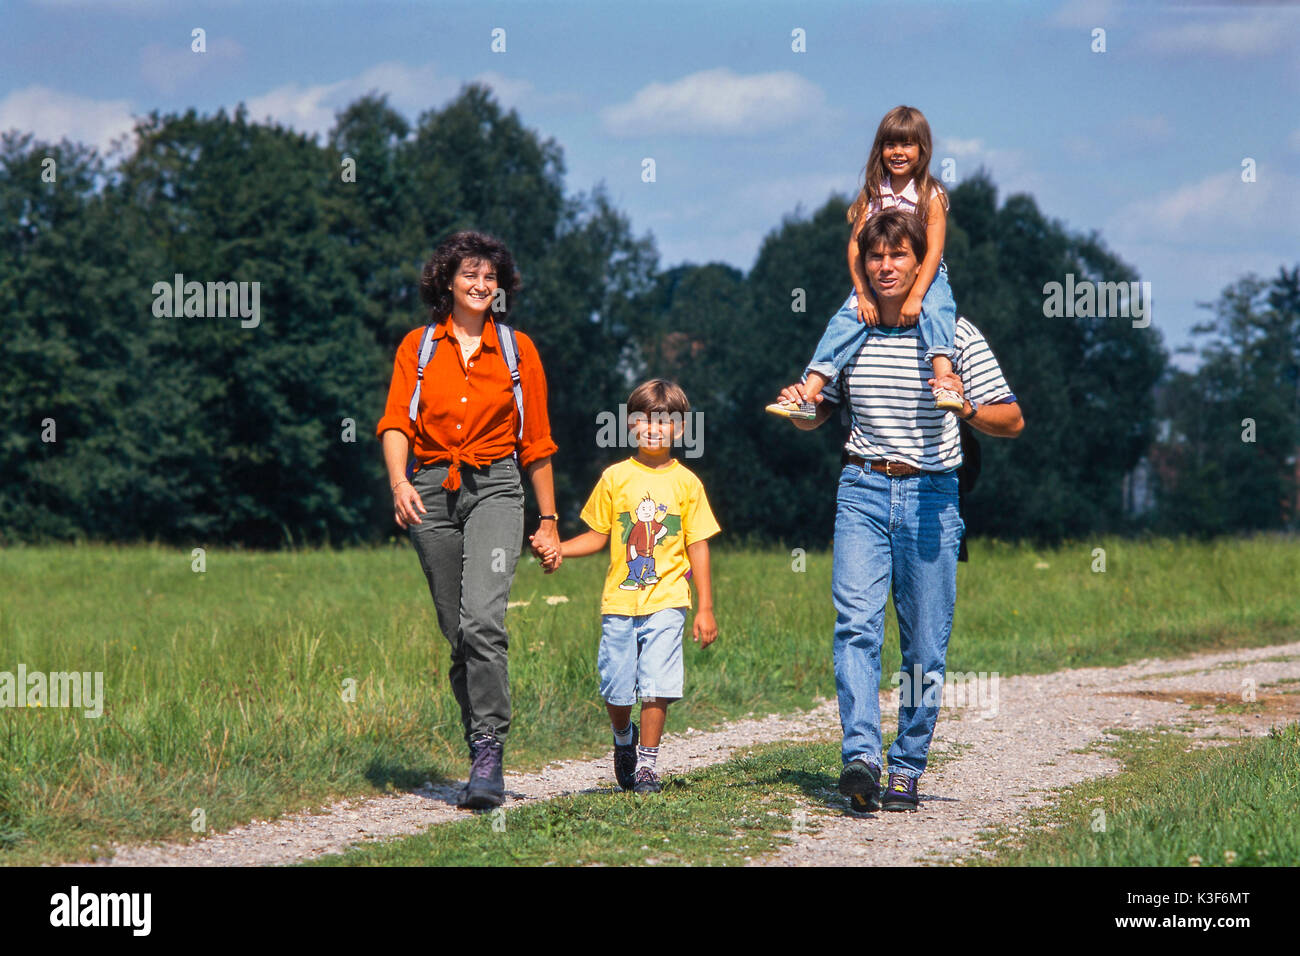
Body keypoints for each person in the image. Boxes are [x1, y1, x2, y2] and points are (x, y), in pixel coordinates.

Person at [775, 208, 1023, 812]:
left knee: (924, 647)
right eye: (875, 256)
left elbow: (1011, 420)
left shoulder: (954, 335)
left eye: (899, 256)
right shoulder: (851, 330)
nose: (886, 267)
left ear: (921, 263)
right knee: (856, 626)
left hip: (933, 496)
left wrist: (963, 407)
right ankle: (861, 757)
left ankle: (907, 765)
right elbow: (822, 412)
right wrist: (800, 410)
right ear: (863, 263)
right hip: (861, 490)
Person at [376, 230, 560, 810]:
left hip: (497, 488)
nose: (481, 286)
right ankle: (477, 734)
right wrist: (400, 481)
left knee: (483, 620)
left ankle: (488, 750)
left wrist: (549, 519)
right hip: (429, 489)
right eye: (469, 276)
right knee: (457, 633)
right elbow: (395, 422)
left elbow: (537, 442)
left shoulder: (517, 350)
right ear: (447, 283)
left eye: (490, 277)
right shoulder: (419, 346)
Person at [533, 380, 719, 794]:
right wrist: (559, 549)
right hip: (619, 602)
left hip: (669, 599)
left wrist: (704, 607)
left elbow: (699, 544)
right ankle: (623, 738)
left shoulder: (687, 484)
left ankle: (648, 766)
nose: (653, 428)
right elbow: (597, 535)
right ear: (630, 425)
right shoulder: (615, 477)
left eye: (664, 421)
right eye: (644, 420)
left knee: (657, 684)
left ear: (682, 429)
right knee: (617, 688)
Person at [768, 104, 963, 420]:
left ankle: (944, 381)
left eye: (906, 144)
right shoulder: (874, 193)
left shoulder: (931, 194)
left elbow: (934, 251)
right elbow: (856, 248)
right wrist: (861, 292)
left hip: (925, 274)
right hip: (876, 277)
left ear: (922, 150)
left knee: (938, 309)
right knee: (845, 321)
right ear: (880, 149)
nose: (897, 152)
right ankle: (807, 393)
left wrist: (916, 296)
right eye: (890, 145)